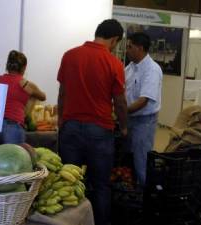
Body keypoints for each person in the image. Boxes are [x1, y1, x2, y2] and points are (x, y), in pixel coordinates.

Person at [57, 19, 128, 225]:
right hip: (100, 131)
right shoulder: (114, 63)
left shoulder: (69, 55)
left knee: (69, 182)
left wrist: (61, 119)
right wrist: (123, 127)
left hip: (70, 128)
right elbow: (120, 102)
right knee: (101, 186)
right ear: (114, 40)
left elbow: (63, 93)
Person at [0, 50, 46, 144]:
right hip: (13, 127)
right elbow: (43, 97)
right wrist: (32, 92)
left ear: (7, 65)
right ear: (24, 68)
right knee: (13, 158)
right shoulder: (27, 84)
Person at [124, 32, 163, 187]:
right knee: (128, 159)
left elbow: (143, 101)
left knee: (141, 162)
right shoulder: (131, 67)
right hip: (130, 119)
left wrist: (120, 112)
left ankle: (144, 198)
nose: (127, 49)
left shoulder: (152, 70)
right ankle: (132, 192)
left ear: (139, 48)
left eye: (130, 46)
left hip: (144, 122)